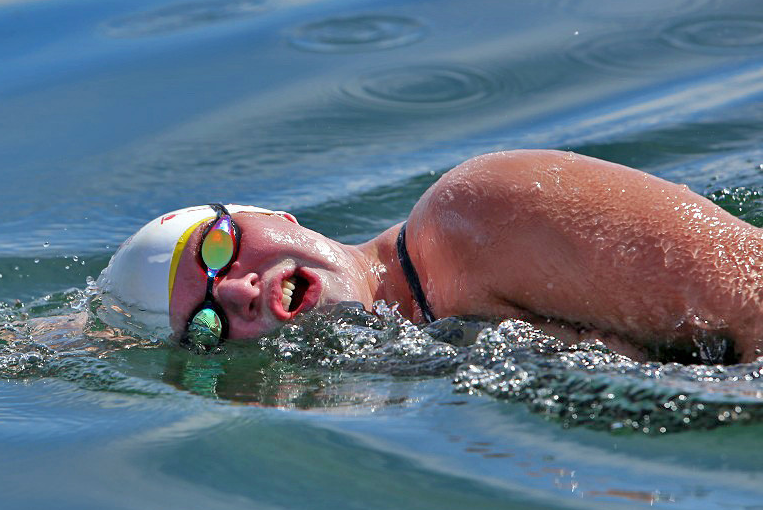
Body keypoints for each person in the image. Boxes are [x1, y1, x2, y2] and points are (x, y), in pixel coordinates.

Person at [97, 149, 763, 363]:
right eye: (209, 323)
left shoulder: (480, 212)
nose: (238, 291)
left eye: (219, 248)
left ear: (274, 217)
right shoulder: (423, 357)